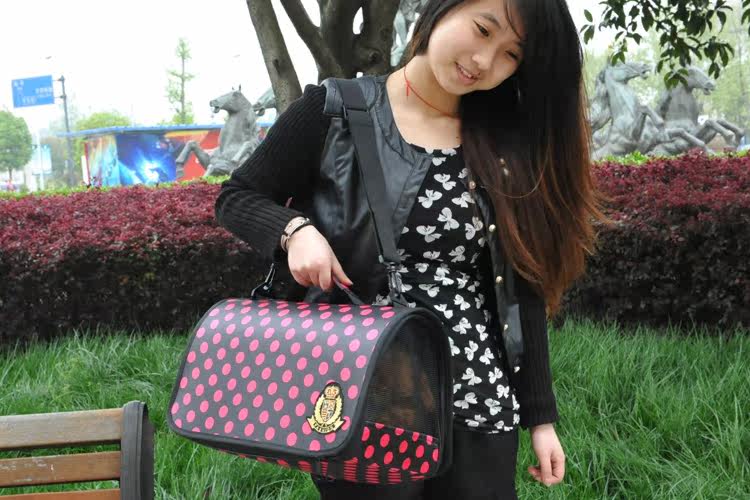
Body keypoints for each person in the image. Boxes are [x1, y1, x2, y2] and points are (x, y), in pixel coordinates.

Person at [215, 0, 611, 497]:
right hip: (366, 391)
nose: (484, 60)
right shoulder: (334, 110)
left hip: (479, 395)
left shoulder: (501, 142)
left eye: (512, 54)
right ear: (443, 9)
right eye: (482, 29)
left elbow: (521, 284)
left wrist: (540, 418)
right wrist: (295, 230)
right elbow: (237, 196)